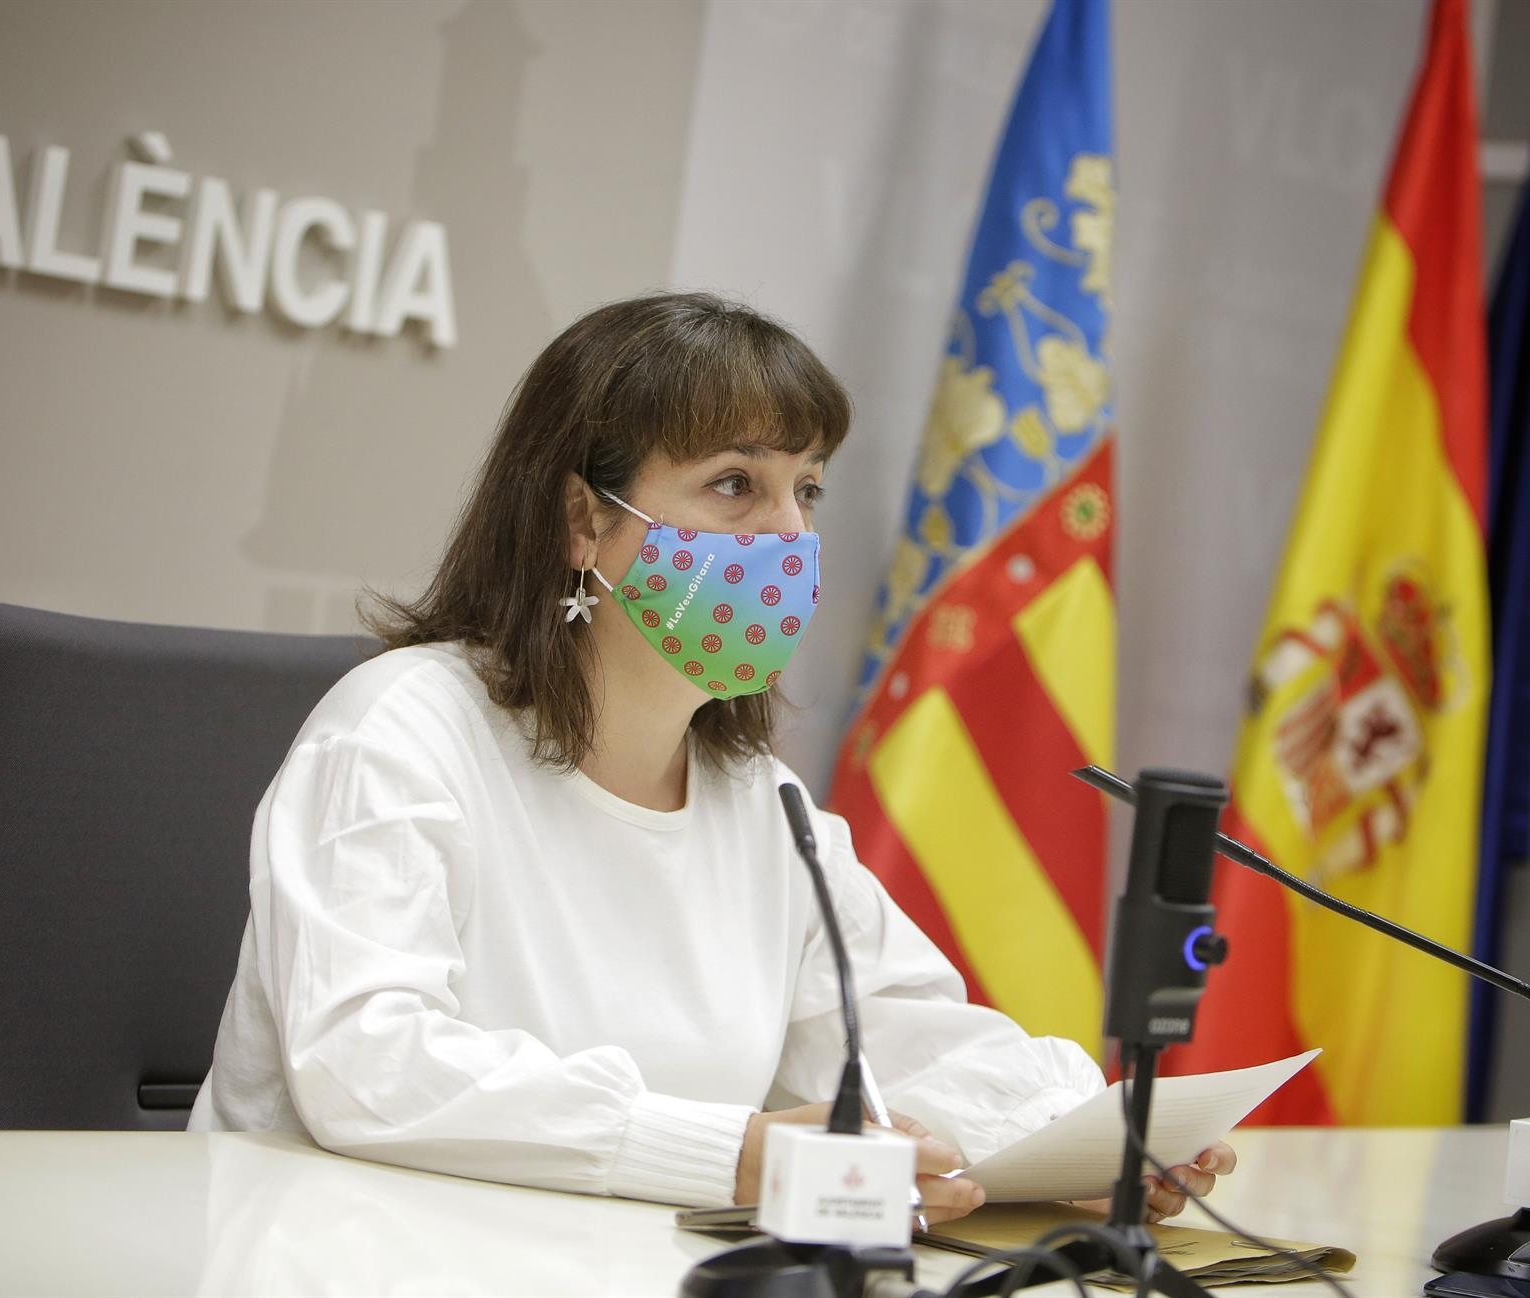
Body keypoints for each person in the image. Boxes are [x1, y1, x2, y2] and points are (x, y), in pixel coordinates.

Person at [188, 291, 1234, 1224]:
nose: (788, 535)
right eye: (736, 484)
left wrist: (1093, 1137)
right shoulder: (400, 732)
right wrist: (734, 1151)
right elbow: (368, 1064)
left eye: (808, 490)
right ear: (582, 519)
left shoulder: (760, 803)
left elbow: (903, 1034)